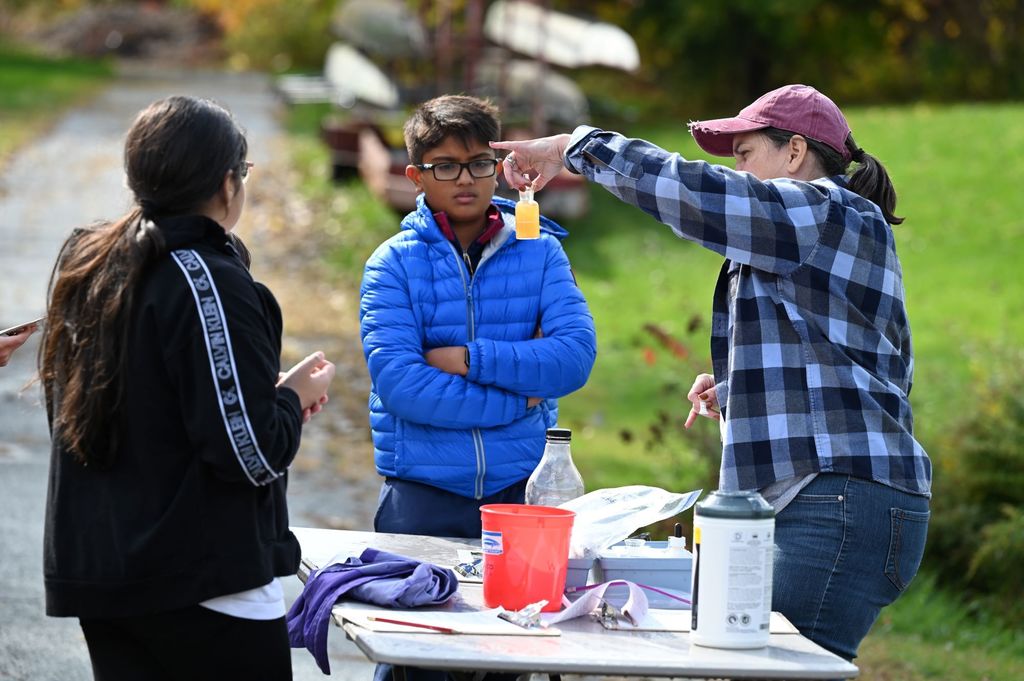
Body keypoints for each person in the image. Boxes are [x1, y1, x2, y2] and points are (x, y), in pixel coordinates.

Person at [493, 84, 930, 662]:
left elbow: (696, 191)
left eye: (745, 154)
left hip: (835, 502)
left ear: (795, 151)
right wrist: (741, 388)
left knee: (766, 672)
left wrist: (576, 147)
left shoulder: (820, 210)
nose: (737, 169)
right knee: (753, 667)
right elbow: (872, 365)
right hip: (848, 497)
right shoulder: (828, 232)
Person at [40, 95, 335, 681]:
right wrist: (289, 398)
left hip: (105, 571)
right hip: (200, 581)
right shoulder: (206, 277)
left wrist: (258, 393)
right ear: (228, 184)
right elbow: (248, 452)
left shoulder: (93, 261)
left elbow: (139, 405)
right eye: (244, 172)